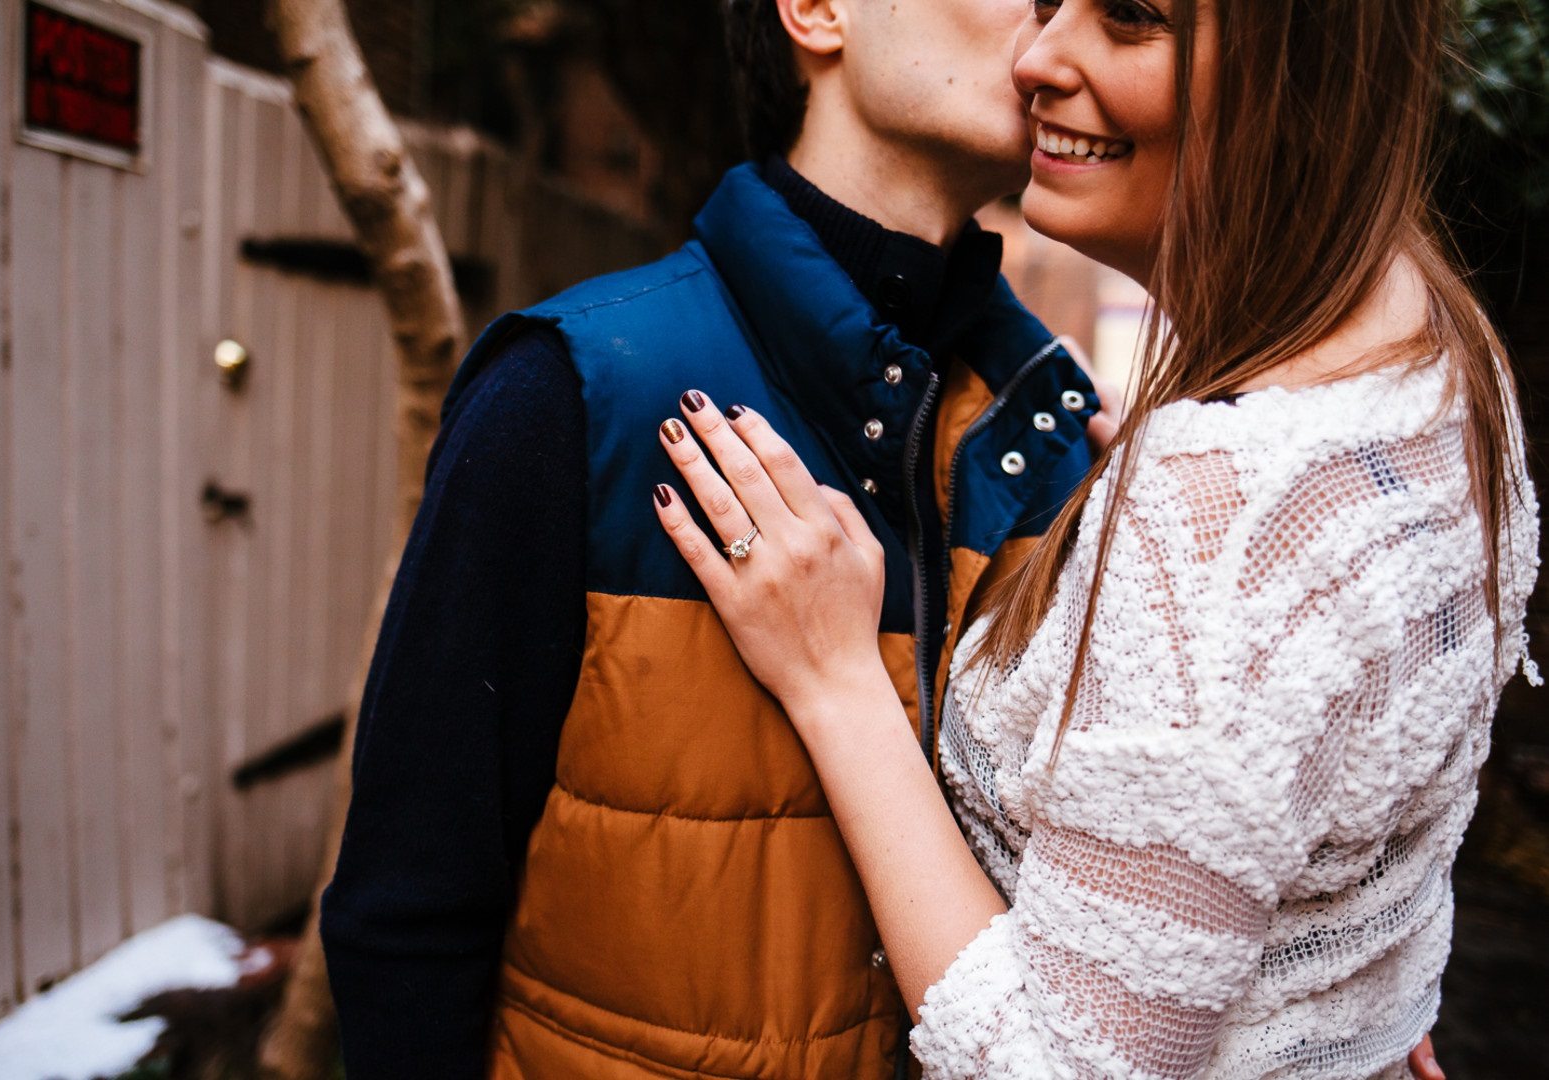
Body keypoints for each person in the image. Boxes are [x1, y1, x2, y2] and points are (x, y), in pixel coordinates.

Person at [647, 0, 1540, 1076]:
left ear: (1292, 69)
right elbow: (1347, 809)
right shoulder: (1441, 356)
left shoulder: (1229, 500)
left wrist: (838, 684)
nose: (1037, 52)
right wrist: (1341, 1014)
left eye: (1129, 18)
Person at [320, 1, 1122, 1077]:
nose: (1046, 29)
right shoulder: (572, 395)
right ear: (817, 11)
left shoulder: (1070, 452)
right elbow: (406, 925)